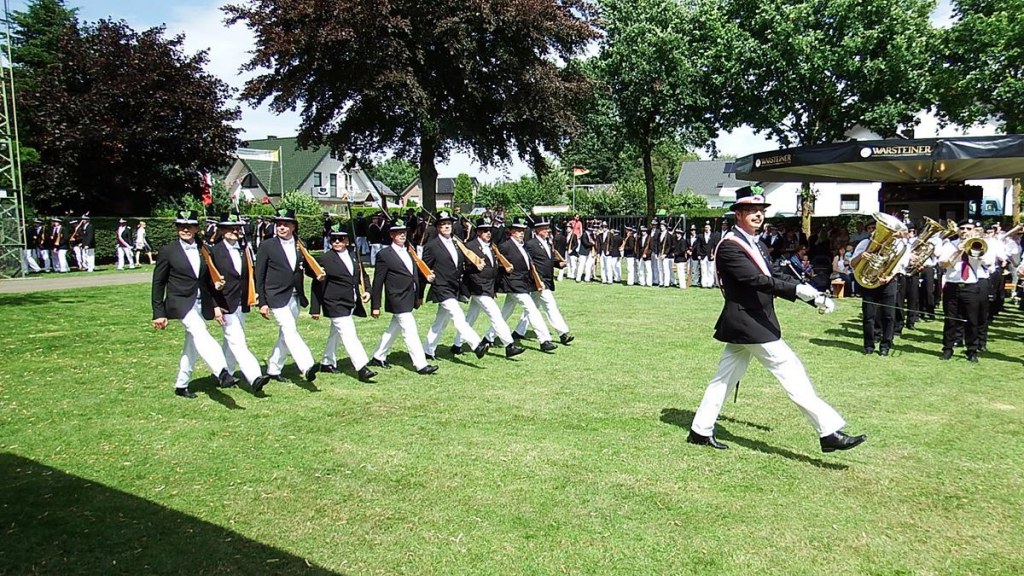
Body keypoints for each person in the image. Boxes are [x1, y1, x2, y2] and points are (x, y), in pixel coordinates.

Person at [688, 188, 865, 454]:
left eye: (761, 211)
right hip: (749, 322)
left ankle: (700, 430)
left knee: (723, 379)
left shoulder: (757, 243)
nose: (758, 215)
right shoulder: (730, 246)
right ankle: (828, 431)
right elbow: (756, 280)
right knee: (791, 371)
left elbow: (775, 274)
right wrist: (798, 291)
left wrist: (812, 295)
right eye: (751, 211)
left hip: (751, 321)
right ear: (738, 215)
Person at [151, 210, 234, 398]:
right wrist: (158, 313)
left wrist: (215, 303)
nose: (185, 229)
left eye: (189, 226)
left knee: (192, 343)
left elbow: (208, 281)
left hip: (201, 302)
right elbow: (158, 283)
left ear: (196, 228)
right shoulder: (168, 251)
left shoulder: (204, 249)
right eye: (181, 226)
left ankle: (181, 384)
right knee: (200, 332)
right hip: (179, 302)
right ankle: (222, 372)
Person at [255, 208, 321, 389]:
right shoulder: (267, 246)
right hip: (275, 295)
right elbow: (259, 275)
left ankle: (274, 368)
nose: (281, 227)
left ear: (293, 226)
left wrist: (319, 274)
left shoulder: (300, 245)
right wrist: (262, 302)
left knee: (285, 334)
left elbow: (306, 267)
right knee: (289, 329)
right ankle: (307, 365)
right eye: (279, 224)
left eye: (285, 224)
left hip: (295, 295)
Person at [368, 219, 439, 374]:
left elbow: (414, 275)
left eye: (404, 232)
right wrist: (375, 306)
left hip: (409, 297)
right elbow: (378, 282)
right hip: (396, 298)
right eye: (398, 232)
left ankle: (378, 356)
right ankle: (421, 364)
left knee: (394, 328)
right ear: (391, 235)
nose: (402, 235)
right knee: (410, 330)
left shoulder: (409, 252)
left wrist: (419, 293)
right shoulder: (384, 255)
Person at [211, 213, 271, 391]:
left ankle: (226, 374)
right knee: (238, 340)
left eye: (237, 228)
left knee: (230, 340)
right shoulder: (214, 252)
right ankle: (254, 376)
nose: (235, 231)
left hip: (241, 302)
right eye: (230, 228)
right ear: (222, 230)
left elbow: (249, 275)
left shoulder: (244, 249)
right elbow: (207, 282)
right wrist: (215, 306)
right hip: (224, 303)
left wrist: (255, 295)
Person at [310, 224, 377, 381]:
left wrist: (367, 290)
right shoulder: (325, 259)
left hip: (350, 301)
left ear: (347, 241)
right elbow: (315, 281)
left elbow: (363, 275)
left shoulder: (354, 255)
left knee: (335, 333)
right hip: (334, 303)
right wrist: (315, 308)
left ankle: (327, 362)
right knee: (349, 334)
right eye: (333, 239)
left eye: (340, 239)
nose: (336, 242)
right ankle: (361, 367)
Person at [421, 211, 490, 361]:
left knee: (441, 321)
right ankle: (476, 345)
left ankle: (427, 350)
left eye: (448, 224)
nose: (446, 226)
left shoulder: (456, 243)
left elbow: (461, 266)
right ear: (437, 227)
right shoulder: (431, 246)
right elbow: (424, 270)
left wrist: (476, 266)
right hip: (441, 287)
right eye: (443, 224)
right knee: (458, 315)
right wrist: (419, 294)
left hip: (454, 287)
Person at [454, 218, 526, 358]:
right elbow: (465, 267)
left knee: (471, 317)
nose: (488, 233)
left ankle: (457, 345)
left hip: (488, 286)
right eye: (484, 230)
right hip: (478, 287)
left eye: (489, 230)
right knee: (496, 315)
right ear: (478, 232)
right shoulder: (470, 246)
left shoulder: (492, 246)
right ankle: (509, 345)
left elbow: (493, 267)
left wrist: (503, 268)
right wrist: (474, 267)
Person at [494, 218, 558, 351]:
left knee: (504, 314)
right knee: (532, 310)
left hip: (523, 283)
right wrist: (503, 270)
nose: (521, 233)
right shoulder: (505, 246)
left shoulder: (522, 246)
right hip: (514, 284)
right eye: (518, 231)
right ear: (511, 232)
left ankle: (488, 338)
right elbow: (498, 264)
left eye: (522, 231)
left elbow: (529, 266)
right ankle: (544, 340)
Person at [936, 218, 991, 362]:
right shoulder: (950, 245)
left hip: (971, 286)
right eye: (962, 228)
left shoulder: (979, 244)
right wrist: (958, 251)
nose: (965, 231)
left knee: (972, 320)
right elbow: (943, 264)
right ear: (958, 230)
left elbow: (989, 262)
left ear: (973, 231)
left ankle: (972, 350)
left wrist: (975, 251)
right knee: (950, 320)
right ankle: (947, 349)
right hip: (952, 285)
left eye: (968, 229)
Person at [513, 218, 574, 345]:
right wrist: (536, 279)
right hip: (539, 281)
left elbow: (547, 260)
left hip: (546, 280)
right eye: (545, 228)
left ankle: (519, 331)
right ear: (538, 230)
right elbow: (529, 263)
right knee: (550, 306)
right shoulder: (531, 244)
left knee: (532, 308)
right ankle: (563, 333)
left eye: (548, 228)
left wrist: (558, 264)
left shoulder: (547, 243)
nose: (548, 230)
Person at [852, 219, 899, 356]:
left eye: (875, 228)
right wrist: (862, 256)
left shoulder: (893, 245)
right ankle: (869, 345)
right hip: (869, 283)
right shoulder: (864, 243)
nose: (873, 231)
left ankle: (885, 345)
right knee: (868, 316)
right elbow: (853, 263)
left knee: (889, 316)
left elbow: (898, 264)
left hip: (887, 282)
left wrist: (889, 276)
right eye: (870, 229)